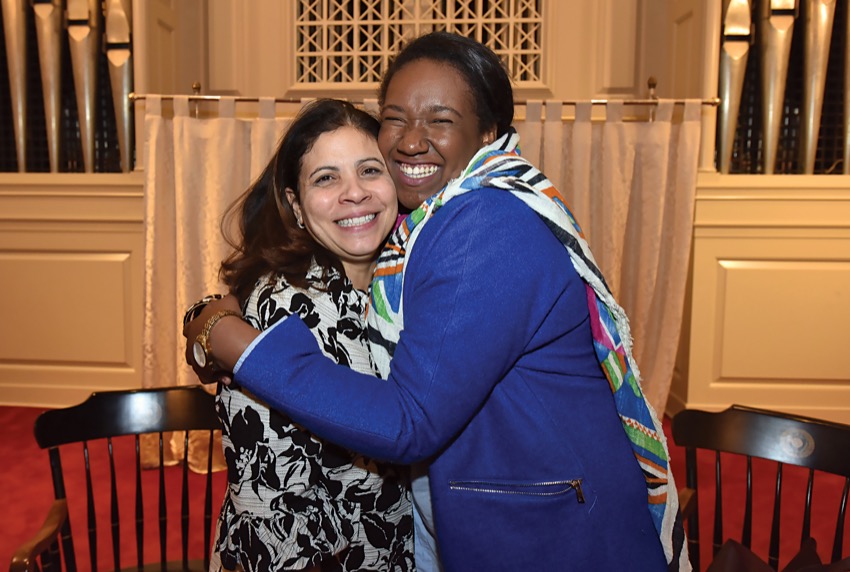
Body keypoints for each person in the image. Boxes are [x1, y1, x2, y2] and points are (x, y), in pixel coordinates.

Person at [186, 32, 689, 571]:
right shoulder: (413, 233)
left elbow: (409, 421)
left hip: (552, 532)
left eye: (441, 120)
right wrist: (224, 307)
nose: (410, 140)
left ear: (489, 133)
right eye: (396, 118)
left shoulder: (482, 224)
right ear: (297, 202)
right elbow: (269, 498)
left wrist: (229, 337)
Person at [190, 98, 413, 572]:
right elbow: (270, 503)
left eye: (370, 170)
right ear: (295, 204)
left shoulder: (405, 283)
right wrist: (209, 326)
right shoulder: (283, 307)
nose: (354, 193)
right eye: (326, 178)